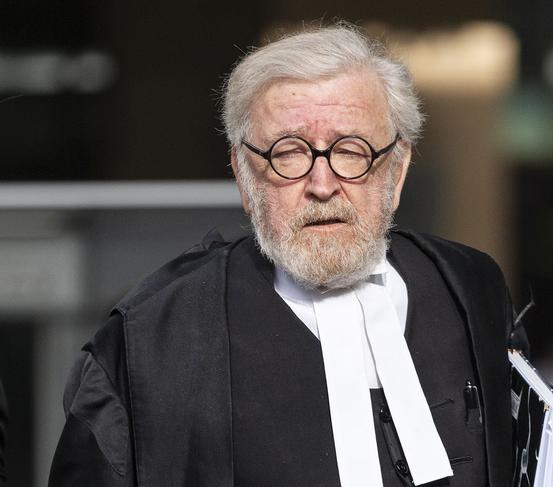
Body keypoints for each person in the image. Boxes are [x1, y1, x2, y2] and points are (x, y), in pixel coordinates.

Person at [49, 24, 524, 487]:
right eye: (289, 152)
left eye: (352, 151)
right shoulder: (150, 339)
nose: (322, 185)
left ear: (396, 173)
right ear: (243, 176)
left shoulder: (470, 290)